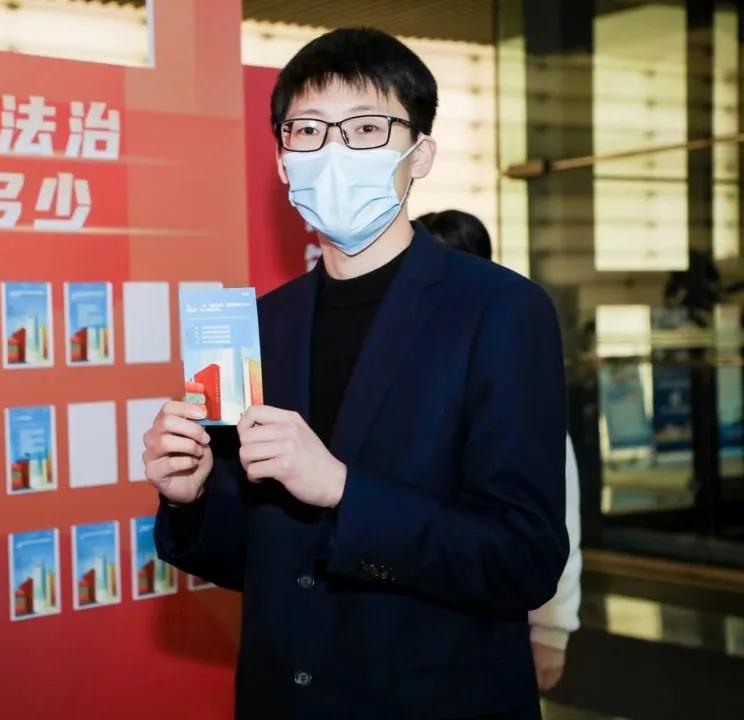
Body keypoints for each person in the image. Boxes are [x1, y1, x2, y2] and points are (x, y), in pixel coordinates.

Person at [143, 28, 568, 719]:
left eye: (367, 128)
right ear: (282, 160)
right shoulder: (261, 323)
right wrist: (190, 497)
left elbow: (523, 558)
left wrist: (343, 490)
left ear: (419, 154)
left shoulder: (500, 310)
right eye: (308, 130)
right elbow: (255, 557)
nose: (333, 152)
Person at [418, 209, 583, 693]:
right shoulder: (405, 366)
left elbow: (557, 516)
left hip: (493, 620)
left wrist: (551, 630)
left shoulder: (508, 366)